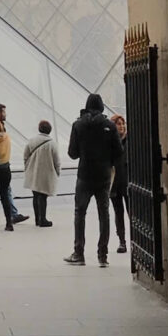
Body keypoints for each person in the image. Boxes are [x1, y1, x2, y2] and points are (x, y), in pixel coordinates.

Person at [64, 91, 121, 267]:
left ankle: (78, 252)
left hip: (84, 175)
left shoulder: (78, 125)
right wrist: (107, 161)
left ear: (87, 106)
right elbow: (119, 152)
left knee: (80, 213)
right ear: (102, 106)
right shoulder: (110, 126)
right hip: (103, 175)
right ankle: (102, 255)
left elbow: (72, 154)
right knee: (104, 214)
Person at [22, 118, 62, 227]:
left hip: (33, 173)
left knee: (35, 196)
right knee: (43, 196)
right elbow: (57, 161)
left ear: (39, 129)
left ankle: (37, 219)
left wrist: (27, 168)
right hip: (46, 175)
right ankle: (43, 219)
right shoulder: (52, 144)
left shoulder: (31, 141)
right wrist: (57, 173)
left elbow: (25, 156)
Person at [111, 113, 129, 256]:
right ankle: (122, 241)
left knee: (132, 213)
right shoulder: (110, 142)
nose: (122, 126)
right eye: (119, 124)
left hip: (129, 183)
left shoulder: (130, 141)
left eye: (123, 123)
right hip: (115, 184)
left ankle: (137, 240)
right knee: (119, 213)